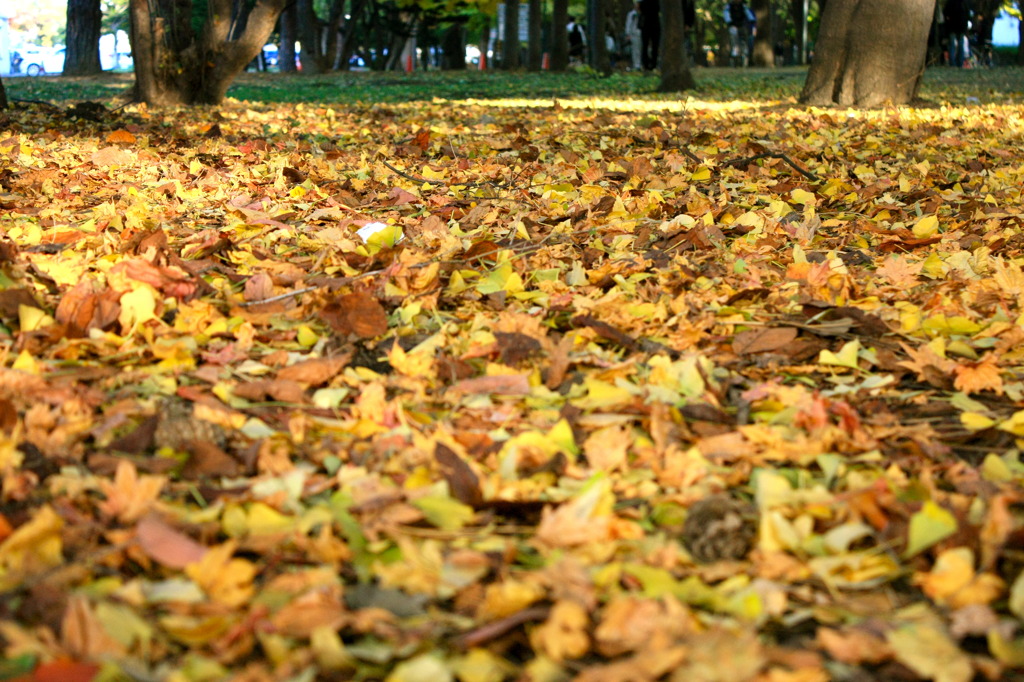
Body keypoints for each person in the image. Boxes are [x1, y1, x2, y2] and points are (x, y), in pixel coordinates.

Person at [724, 0, 755, 67]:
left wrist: (751, 19)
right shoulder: (729, 6)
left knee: (744, 41)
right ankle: (735, 57)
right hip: (733, 26)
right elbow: (726, 13)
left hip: (741, 25)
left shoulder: (743, 5)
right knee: (735, 42)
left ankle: (744, 56)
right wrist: (728, 21)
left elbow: (747, 12)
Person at [944, 0, 972, 67]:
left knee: (952, 46)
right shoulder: (964, 3)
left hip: (952, 26)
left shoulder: (951, 2)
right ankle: (960, 63)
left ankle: (952, 63)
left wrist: (948, 20)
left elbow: (945, 12)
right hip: (961, 27)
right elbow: (968, 15)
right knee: (960, 45)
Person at [639, 0, 660, 70]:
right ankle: (647, 64)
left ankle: (652, 64)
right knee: (646, 45)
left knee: (654, 46)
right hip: (647, 24)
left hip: (653, 24)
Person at [625, 2, 642, 71]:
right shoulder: (631, 14)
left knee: (642, 50)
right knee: (635, 50)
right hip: (634, 34)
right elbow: (628, 24)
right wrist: (628, 34)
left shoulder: (643, 13)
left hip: (642, 34)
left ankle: (642, 64)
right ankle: (636, 65)